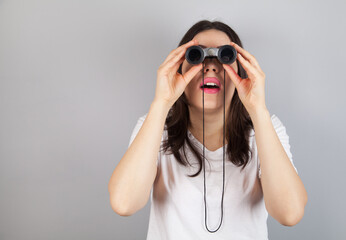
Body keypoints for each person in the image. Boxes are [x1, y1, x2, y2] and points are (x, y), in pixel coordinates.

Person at [108, 20, 308, 239]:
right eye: (196, 56)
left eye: (225, 56)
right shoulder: (156, 128)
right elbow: (124, 203)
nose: (211, 66)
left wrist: (258, 109)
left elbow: (290, 213)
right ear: (177, 69)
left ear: (241, 71)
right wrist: (162, 103)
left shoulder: (265, 130)